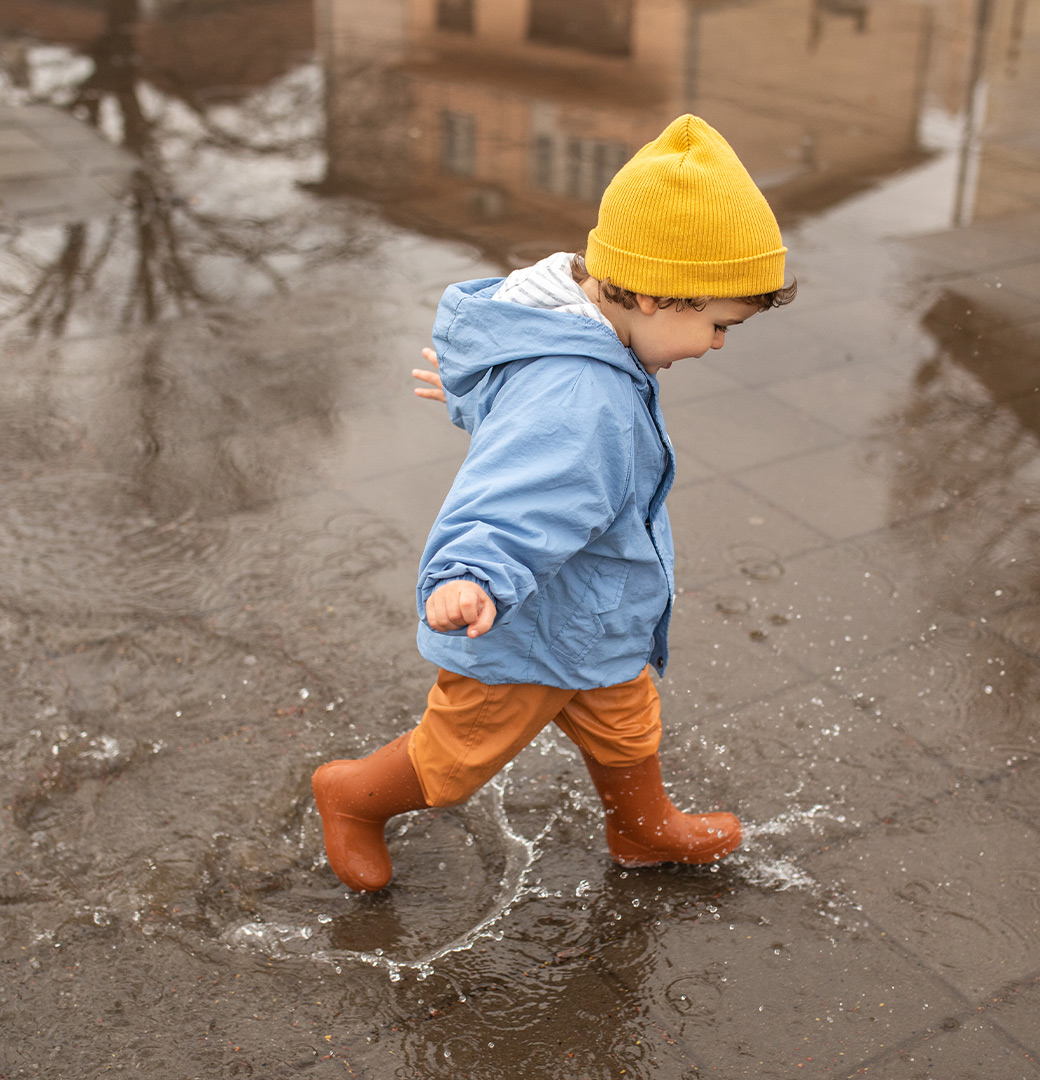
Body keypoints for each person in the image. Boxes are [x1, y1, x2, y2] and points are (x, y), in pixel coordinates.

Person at [312, 114, 795, 892]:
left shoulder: (584, 335)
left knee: (626, 720)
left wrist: (486, 395)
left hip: (593, 611)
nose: (719, 344)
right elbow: (516, 497)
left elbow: (533, 434)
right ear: (650, 292)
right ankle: (353, 797)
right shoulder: (582, 393)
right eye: (714, 323)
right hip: (526, 620)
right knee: (455, 758)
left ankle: (643, 830)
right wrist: (471, 574)